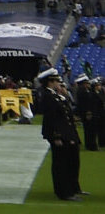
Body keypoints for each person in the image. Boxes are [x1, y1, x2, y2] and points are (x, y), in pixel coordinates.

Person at [34, 70, 84, 201]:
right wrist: (56, 136)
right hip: (58, 134)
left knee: (67, 162)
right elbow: (52, 118)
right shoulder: (48, 96)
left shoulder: (54, 96)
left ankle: (69, 189)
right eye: (56, 81)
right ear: (50, 82)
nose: (58, 83)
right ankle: (63, 192)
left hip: (64, 133)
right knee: (60, 164)